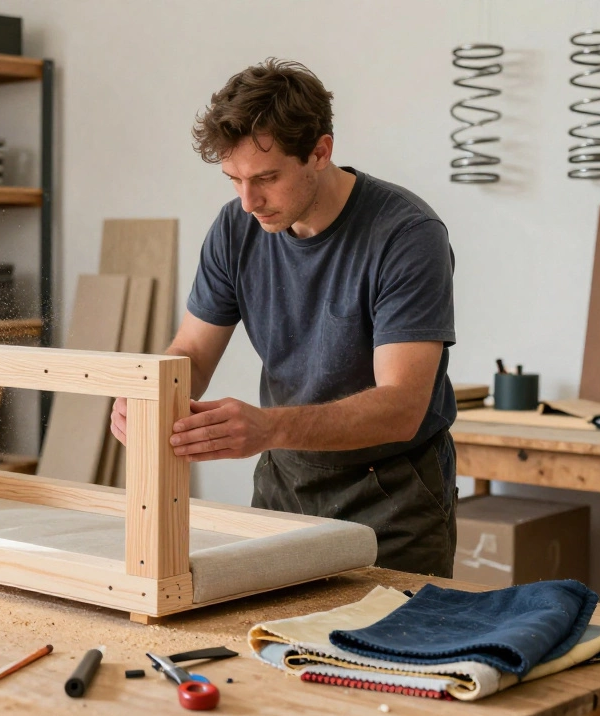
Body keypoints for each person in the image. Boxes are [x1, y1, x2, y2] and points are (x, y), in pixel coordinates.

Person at [109, 59, 458, 576]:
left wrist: (266, 427)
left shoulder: (406, 235)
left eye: (266, 178)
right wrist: (150, 391)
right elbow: (193, 350)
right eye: (234, 180)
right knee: (268, 646)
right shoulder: (236, 227)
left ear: (320, 151)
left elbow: (402, 406)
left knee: (391, 649)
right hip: (284, 482)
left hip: (394, 494)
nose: (249, 202)